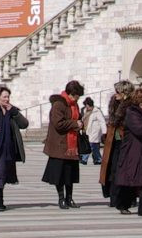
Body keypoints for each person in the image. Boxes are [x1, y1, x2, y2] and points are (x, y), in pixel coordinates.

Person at [109, 87, 142, 215]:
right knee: (130, 180)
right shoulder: (131, 113)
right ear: (140, 101)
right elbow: (141, 130)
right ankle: (123, 204)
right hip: (133, 153)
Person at [42, 79, 85, 209]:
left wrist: (80, 123)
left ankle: (70, 198)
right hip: (60, 144)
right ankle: (61, 198)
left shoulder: (74, 104)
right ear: (71, 93)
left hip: (72, 145)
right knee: (59, 175)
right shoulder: (59, 104)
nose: (78, 99)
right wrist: (75, 124)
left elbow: (76, 119)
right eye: (77, 96)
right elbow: (58, 124)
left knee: (70, 174)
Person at [97, 79, 131, 199]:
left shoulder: (131, 106)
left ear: (125, 92)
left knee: (123, 169)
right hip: (113, 140)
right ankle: (113, 195)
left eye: (118, 91)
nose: (115, 94)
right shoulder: (114, 103)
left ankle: (124, 196)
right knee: (111, 168)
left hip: (125, 141)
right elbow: (112, 122)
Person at [80, 96, 102, 166]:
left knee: (94, 146)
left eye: (87, 105)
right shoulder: (83, 110)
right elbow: (81, 119)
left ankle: (97, 159)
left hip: (94, 131)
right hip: (85, 131)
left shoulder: (97, 110)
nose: (86, 107)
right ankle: (85, 159)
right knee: (86, 146)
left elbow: (101, 121)